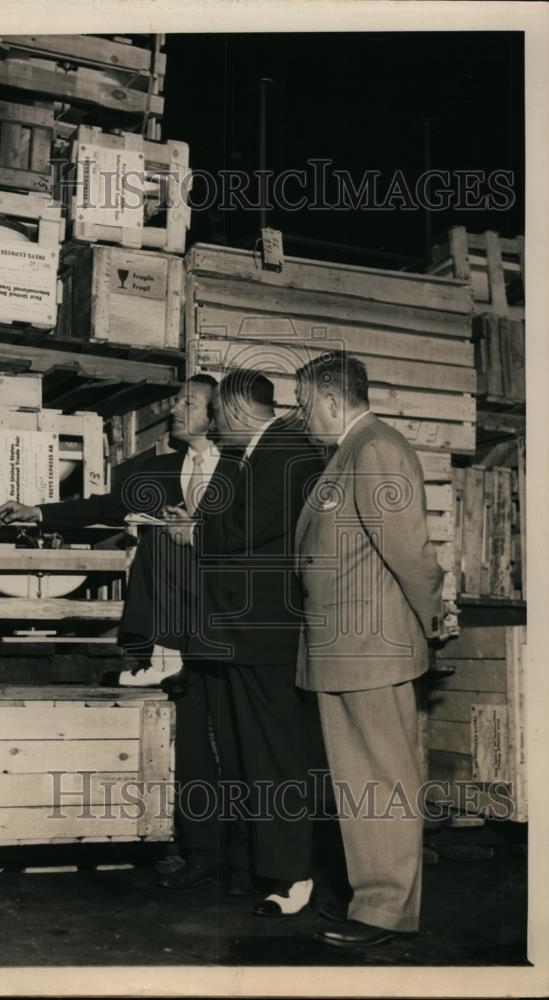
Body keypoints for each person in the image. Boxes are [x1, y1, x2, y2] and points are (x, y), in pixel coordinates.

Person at [0, 375, 253, 894]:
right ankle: (203, 855)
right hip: (176, 633)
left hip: (231, 631)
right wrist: (39, 511)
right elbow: (101, 507)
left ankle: (246, 860)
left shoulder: (244, 473)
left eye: (189, 402)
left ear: (216, 414)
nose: (177, 408)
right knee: (193, 749)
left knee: (238, 744)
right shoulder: (155, 471)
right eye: (178, 400)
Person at [293, 350, 445, 949]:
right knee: (360, 782)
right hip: (344, 648)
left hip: (371, 649)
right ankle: (371, 900)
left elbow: (409, 553)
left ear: (332, 400)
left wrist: (431, 622)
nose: (303, 418)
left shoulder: (375, 448)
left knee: (383, 779)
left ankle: (385, 911)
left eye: (306, 406)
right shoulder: (349, 453)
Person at [165, 369, 326, 917]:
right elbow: (223, 517)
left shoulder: (290, 452)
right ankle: (266, 868)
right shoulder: (250, 455)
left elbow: (243, 527)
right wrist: (205, 523)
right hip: (238, 633)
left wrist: (195, 531)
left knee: (277, 759)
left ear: (233, 411)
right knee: (246, 758)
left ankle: (292, 878)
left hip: (267, 635)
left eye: (216, 415)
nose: (211, 424)